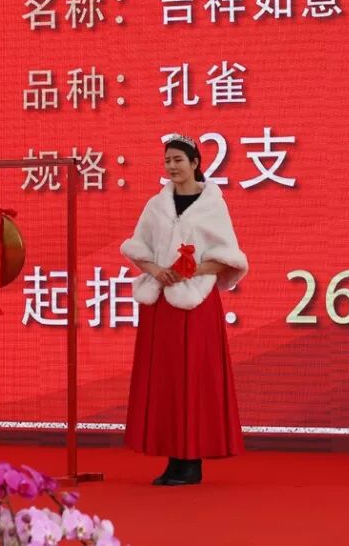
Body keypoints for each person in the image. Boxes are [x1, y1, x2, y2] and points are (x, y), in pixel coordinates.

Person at [120, 134, 248, 485]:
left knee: (194, 380)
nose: (172, 166)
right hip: (161, 304)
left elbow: (229, 259)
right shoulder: (156, 205)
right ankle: (174, 460)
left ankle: (192, 461)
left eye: (178, 160)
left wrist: (193, 270)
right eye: (167, 161)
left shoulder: (213, 206)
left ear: (195, 163)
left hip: (197, 304)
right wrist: (156, 270)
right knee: (167, 382)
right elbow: (139, 248)